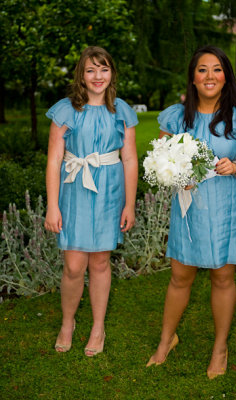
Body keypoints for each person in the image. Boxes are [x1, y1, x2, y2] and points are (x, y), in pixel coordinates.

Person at [146, 45, 236, 378]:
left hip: (227, 205)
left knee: (222, 277)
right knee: (180, 277)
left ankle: (220, 348)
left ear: (226, 76)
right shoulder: (176, 117)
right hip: (189, 207)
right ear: (193, 78)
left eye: (216, 69)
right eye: (202, 70)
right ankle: (167, 340)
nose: (209, 76)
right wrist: (175, 174)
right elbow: (161, 158)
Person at [44, 46, 138, 356]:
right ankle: (67, 322)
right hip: (75, 188)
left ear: (112, 74)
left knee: (99, 261)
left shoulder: (121, 111)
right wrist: (52, 205)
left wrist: (129, 204)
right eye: (90, 70)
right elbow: (55, 158)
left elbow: (129, 159)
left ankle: (98, 327)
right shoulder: (66, 110)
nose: (98, 76)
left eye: (104, 69)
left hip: (110, 191)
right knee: (73, 265)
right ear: (81, 76)